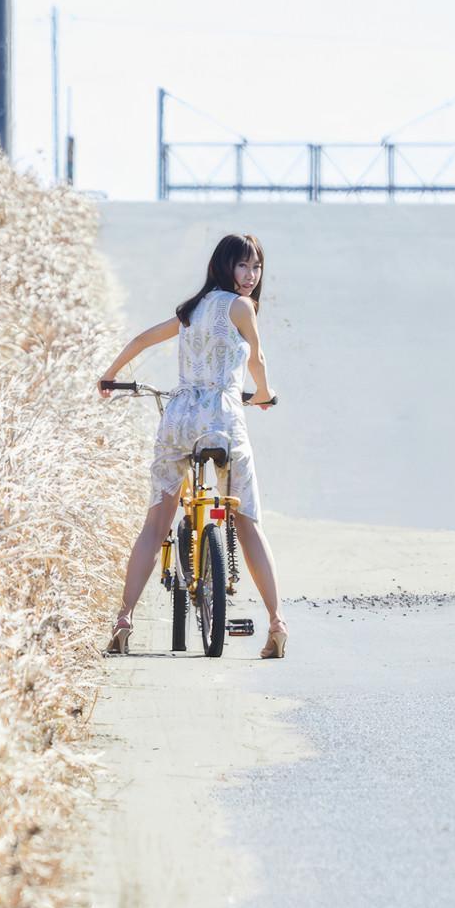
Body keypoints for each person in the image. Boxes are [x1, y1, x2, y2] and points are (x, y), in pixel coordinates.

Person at [97, 232, 286, 658]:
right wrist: (263, 393)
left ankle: (124, 619)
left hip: (179, 416)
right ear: (225, 267)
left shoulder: (193, 308)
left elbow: (144, 339)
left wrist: (109, 375)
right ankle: (276, 624)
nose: (250, 275)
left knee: (155, 523)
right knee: (246, 519)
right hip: (221, 418)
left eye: (256, 267)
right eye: (243, 266)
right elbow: (257, 360)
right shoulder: (242, 308)